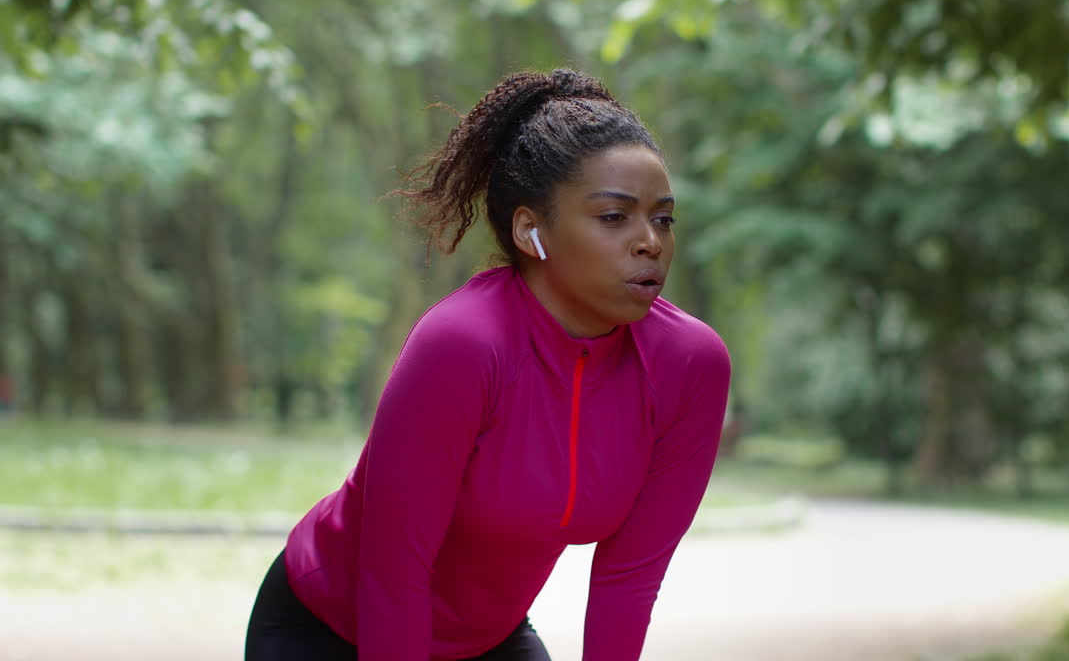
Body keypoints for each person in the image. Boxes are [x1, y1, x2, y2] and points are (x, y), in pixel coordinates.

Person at [244, 68, 732, 661]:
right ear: (532, 232)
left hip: (487, 639)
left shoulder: (689, 364)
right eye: (614, 217)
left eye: (663, 218)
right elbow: (393, 577)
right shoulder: (463, 344)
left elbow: (628, 580)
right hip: (333, 626)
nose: (650, 241)